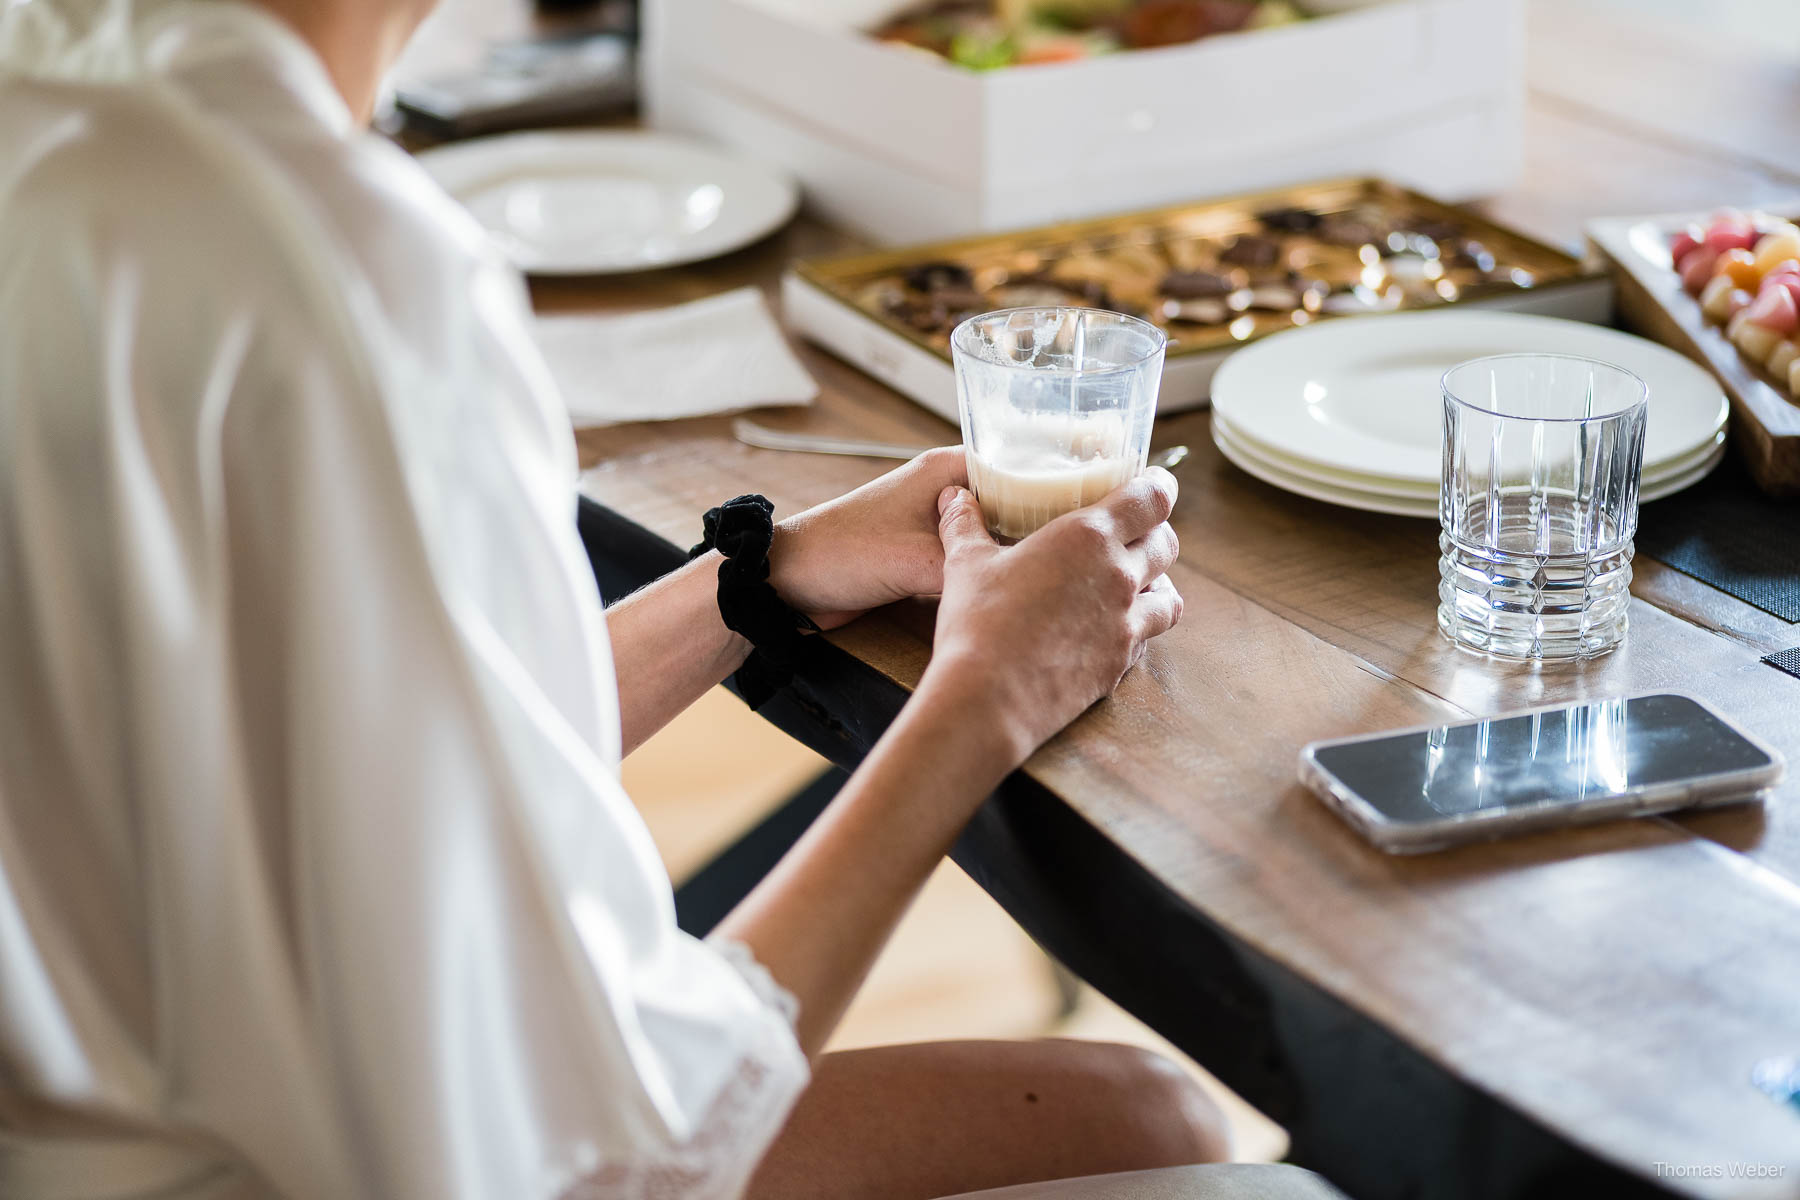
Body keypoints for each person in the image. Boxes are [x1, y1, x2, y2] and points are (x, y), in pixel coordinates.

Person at [0, 1, 1232, 1197]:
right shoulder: (332, 265)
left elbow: (397, 764)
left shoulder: (59, 114)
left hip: (139, 1065)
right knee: (1164, 1130)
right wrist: (985, 697)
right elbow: (605, 1145)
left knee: (1145, 1112)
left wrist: (761, 581)